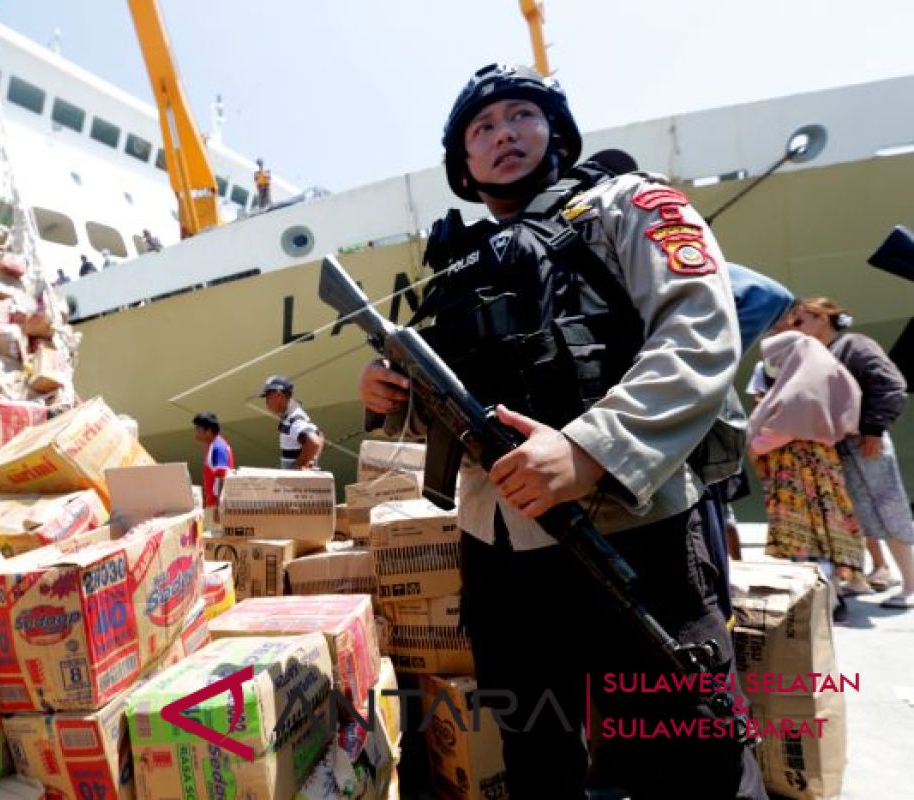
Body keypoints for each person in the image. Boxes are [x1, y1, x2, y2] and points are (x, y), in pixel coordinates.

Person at [358, 64, 765, 798]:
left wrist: (589, 449)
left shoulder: (626, 205)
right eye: (481, 129)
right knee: (536, 755)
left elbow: (700, 333)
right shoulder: (460, 266)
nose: (503, 134)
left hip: (631, 535)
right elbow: (462, 402)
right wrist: (395, 397)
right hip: (499, 555)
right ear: (463, 164)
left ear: (556, 132)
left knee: (692, 757)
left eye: (520, 116)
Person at [792, 296, 914, 609]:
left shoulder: (856, 345)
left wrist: (874, 429)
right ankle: (858, 579)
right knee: (855, 516)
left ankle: (911, 585)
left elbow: (891, 385)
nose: (796, 327)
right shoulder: (820, 353)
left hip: (865, 444)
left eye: (801, 320)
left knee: (889, 509)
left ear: (822, 318)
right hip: (841, 448)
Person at [748, 330, 864, 622]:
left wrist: (752, 446)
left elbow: (779, 432)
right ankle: (833, 597)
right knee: (824, 533)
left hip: (796, 471)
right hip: (824, 467)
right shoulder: (829, 376)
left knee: (806, 539)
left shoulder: (798, 391)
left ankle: (825, 602)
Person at [258, 375, 322, 469]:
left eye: (267, 396)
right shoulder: (295, 414)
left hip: (298, 483)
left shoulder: (293, 420)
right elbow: (320, 435)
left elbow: (314, 442)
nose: (266, 402)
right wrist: (312, 459)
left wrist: (299, 466)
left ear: (278, 395)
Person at [193, 412, 235, 528]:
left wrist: (218, 508)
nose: (196, 433)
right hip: (213, 504)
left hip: (216, 507)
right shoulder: (213, 445)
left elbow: (222, 477)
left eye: (198, 429)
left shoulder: (218, 447)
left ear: (209, 430)